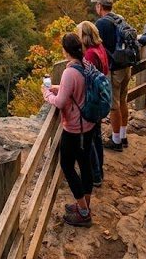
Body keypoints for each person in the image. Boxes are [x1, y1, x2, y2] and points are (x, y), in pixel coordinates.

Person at [43, 33, 97, 227]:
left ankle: (83, 212)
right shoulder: (86, 65)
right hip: (89, 123)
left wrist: (47, 94)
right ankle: (85, 205)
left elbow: (60, 102)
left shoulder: (70, 72)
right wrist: (59, 88)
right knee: (84, 164)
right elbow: (74, 90)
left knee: (66, 165)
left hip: (75, 128)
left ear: (65, 50)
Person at [91, 0, 130, 151]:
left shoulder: (101, 23)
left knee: (114, 105)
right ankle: (123, 135)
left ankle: (116, 141)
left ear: (100, 6)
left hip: (114, 68)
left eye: (96, 5)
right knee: (123, 100)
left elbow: (94, 44)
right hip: (125, 65)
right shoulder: (119, 18)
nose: (96, 7)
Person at [76, 21, 109, 186]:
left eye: (78, 34)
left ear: (84, 36)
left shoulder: (89, 54)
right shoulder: (100, 48)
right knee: (97, 137)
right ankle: (99, 171)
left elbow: (85, 78)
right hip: (100, 98)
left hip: (92, 101)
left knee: (90, 139)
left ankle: (95, 174)